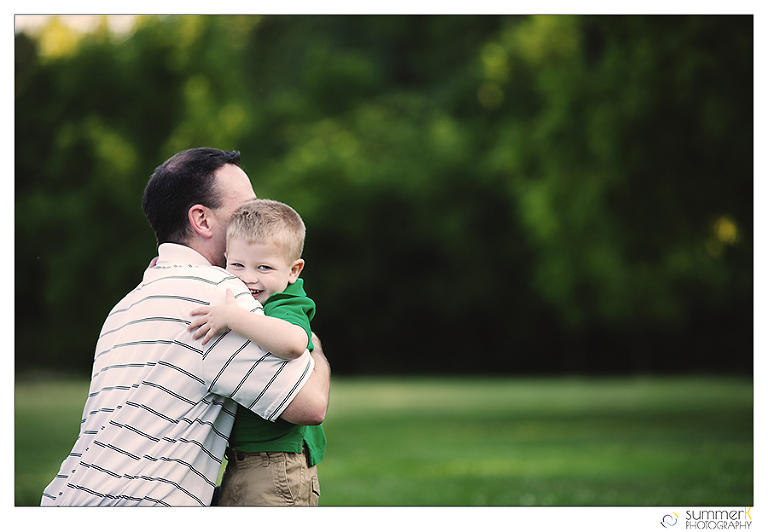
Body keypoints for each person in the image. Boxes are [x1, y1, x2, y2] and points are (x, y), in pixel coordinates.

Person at [40, 148, 330, 506]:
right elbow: (310, 404)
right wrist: (310, 337)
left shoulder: (126, 305)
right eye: (245, 210)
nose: (257, 218)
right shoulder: (220, 296)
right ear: (202, 220)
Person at [187, 198, 325, 506]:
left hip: (279, 461)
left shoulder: (286, 302)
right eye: (237, 265)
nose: (248, 277)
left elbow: (294, 343)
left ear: (293, 270)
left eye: (264, 267)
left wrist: (234, 318)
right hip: (242, 458)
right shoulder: (244, 293)